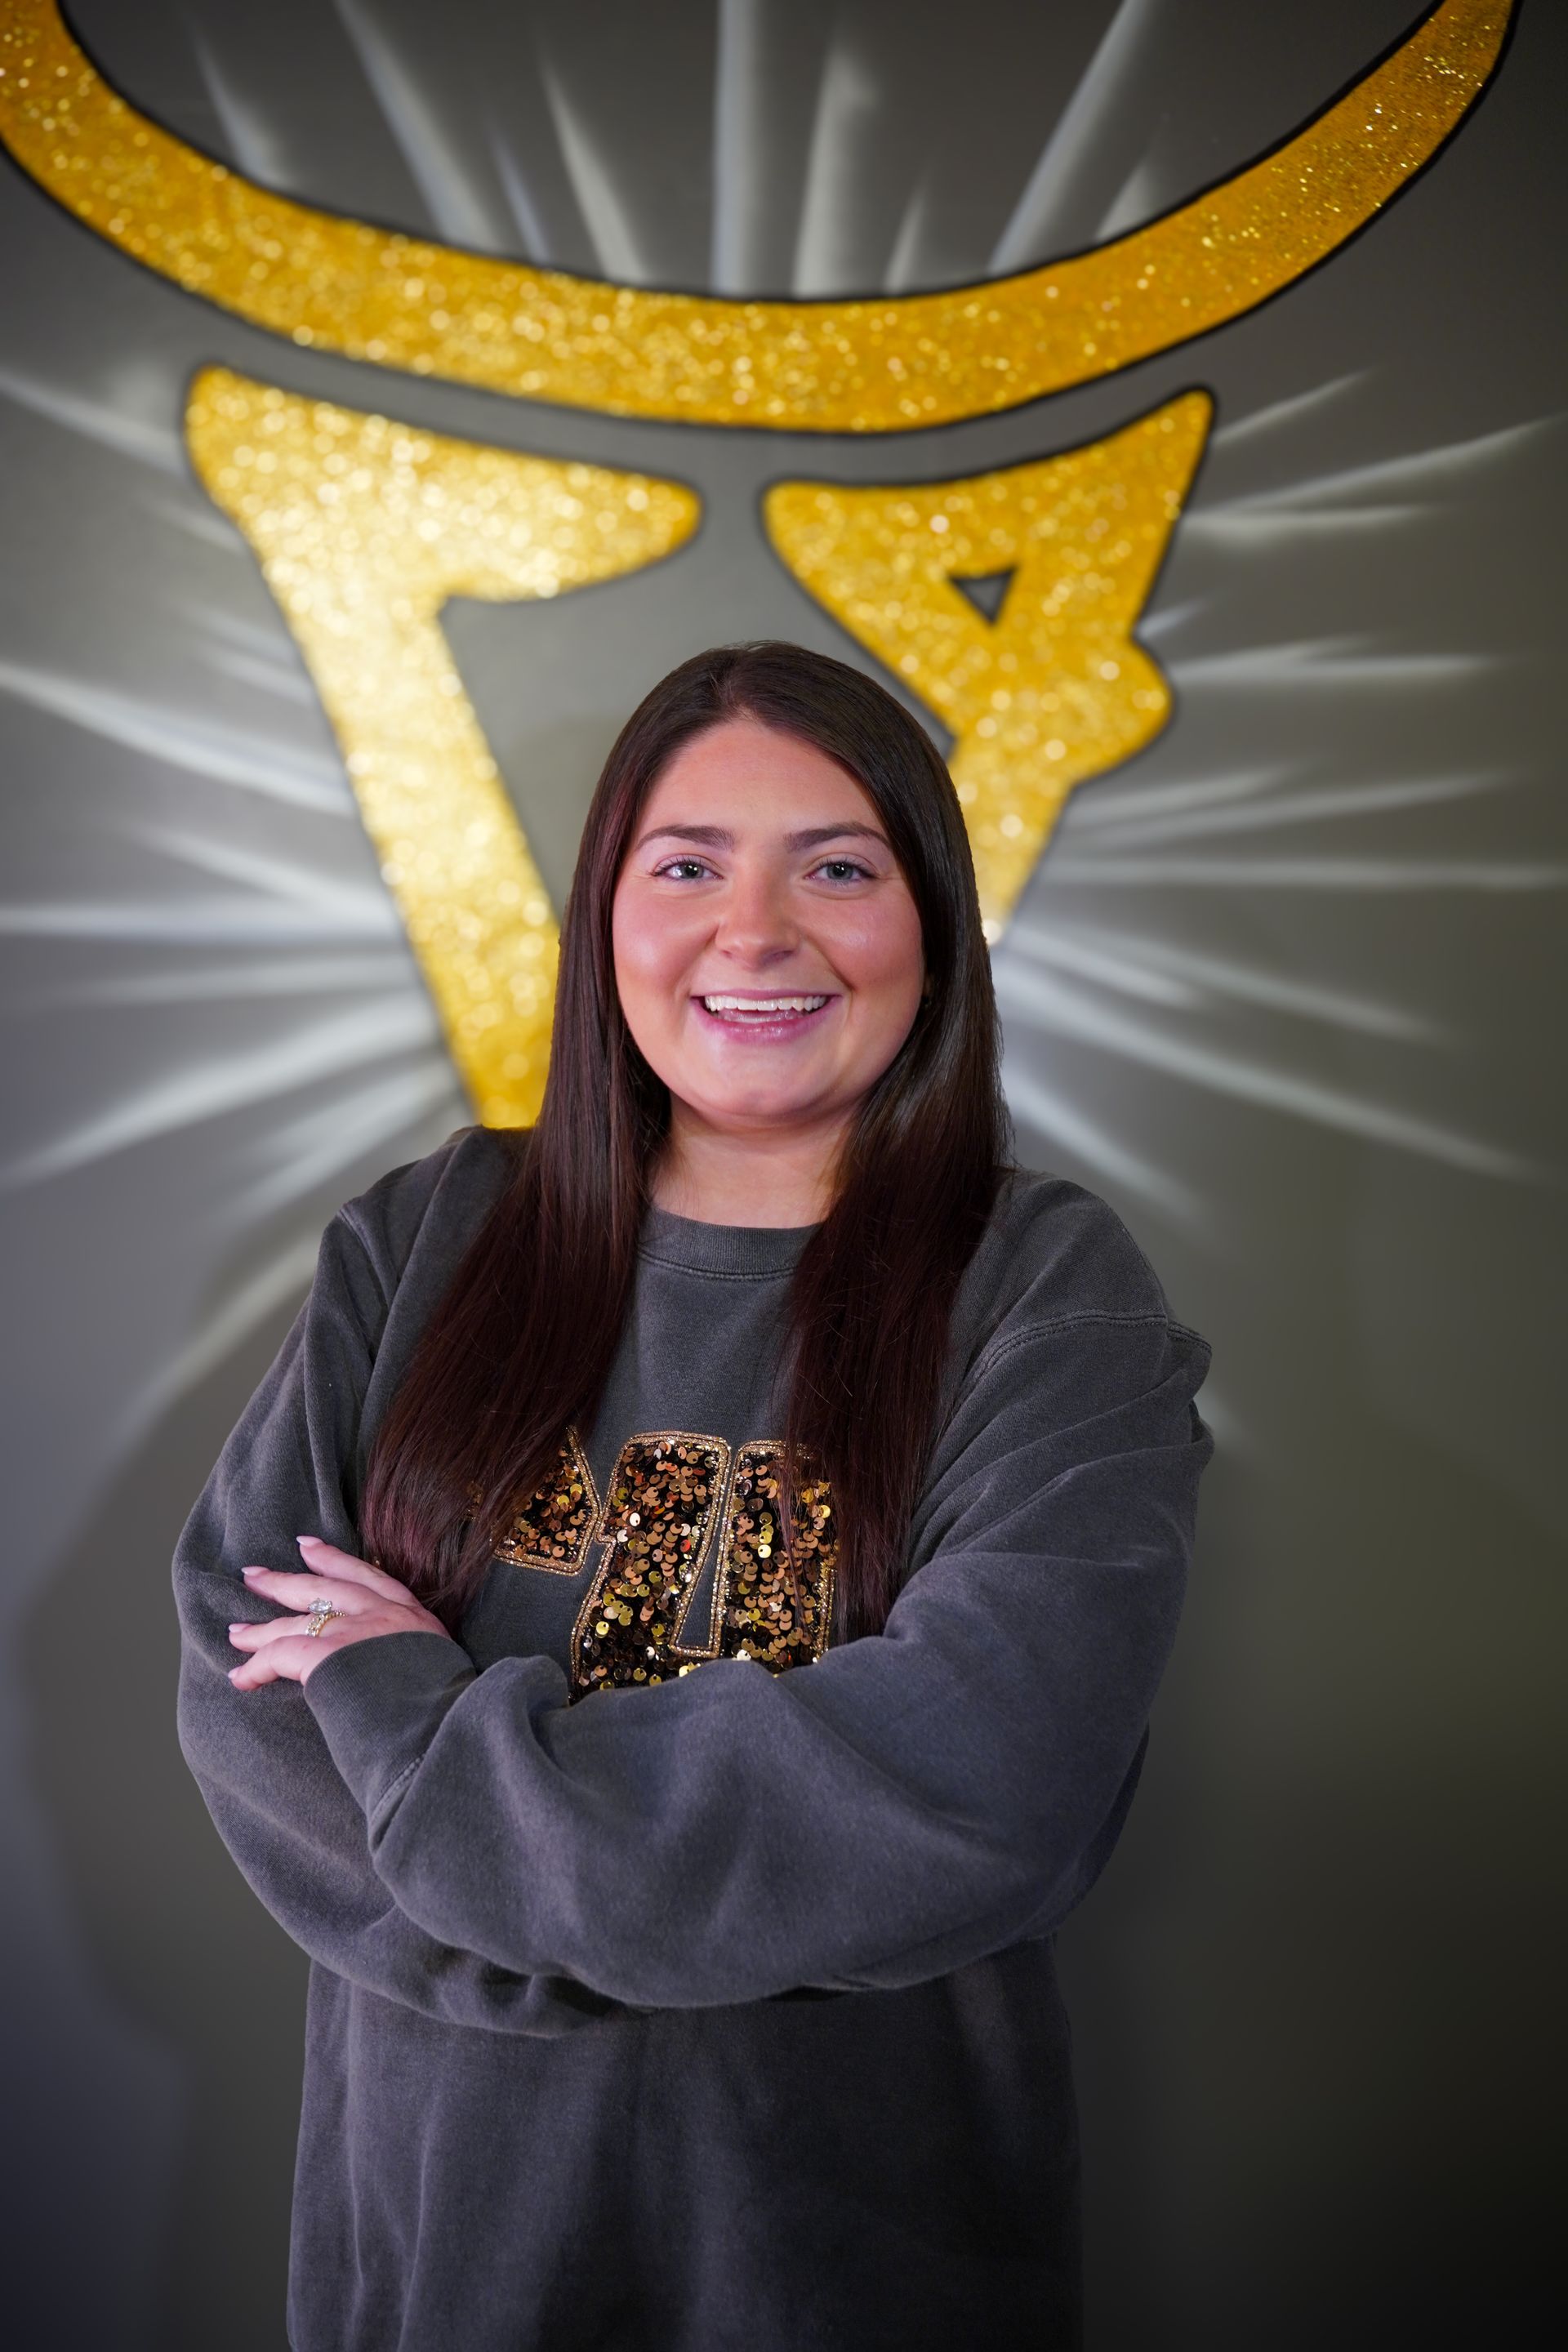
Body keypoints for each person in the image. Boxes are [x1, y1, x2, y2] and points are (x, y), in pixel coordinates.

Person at [175, 639, 1211, 2350]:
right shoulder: (424, 1239)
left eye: (838, 869)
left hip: (857, 2266)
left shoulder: (1047, 1291)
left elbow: (983, 1781)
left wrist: (415, 1724)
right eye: (686, 868)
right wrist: (681, 1916)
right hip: (442, 2254)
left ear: (934, 925)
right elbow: (252, 1700)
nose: (755, 932)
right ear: (606, 917)